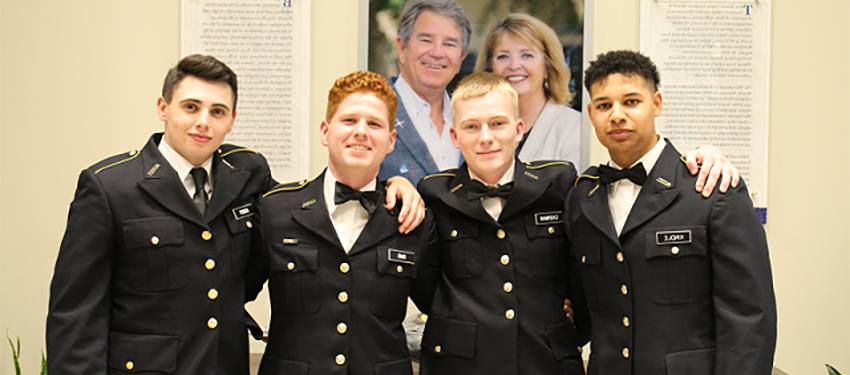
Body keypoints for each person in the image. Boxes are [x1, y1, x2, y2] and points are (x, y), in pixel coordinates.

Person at [46, 56, 423, 375]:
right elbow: (75, 316)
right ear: (163, 107)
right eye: (190, 107)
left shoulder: (247, 175)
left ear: (232, 120)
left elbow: (311, 207)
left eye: (217, 111)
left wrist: (395, 184)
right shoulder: (110, 187)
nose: (203, 122)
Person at [568, 50, 776, 375]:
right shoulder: (582, 197)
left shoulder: (711, 189)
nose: (617, 115)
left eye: (631, 101)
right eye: (604, 105)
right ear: (591, 112)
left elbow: (748, 318)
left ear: (657, 104)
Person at [248, 71, 437, 375]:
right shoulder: (276, 210)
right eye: (349, 121)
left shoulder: (411, 217)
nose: (361, 131)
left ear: (390, 141)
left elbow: (442, 308)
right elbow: (230, 289)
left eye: (374, 124)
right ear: (325, 131)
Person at [414, 71, 588, 375]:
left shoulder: (558, 184)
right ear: (455, 136)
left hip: (545, 362)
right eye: (471, 126)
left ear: (518, 129)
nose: (485, 137)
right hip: (461, 365)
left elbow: (585, 261)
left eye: (498, 123)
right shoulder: (434, 195)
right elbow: (426, 284)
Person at [378, 0, 471, 185]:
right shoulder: (374, 109)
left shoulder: (472, 117)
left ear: (461, 57)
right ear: (402, 48)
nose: (437, 52)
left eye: (449, 44)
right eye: (426, 40)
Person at [477, 13, 583, 166]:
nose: (514, 66)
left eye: (526, 55)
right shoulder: (477, 127)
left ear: (548, 67)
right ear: (489, 68)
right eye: (503, 56)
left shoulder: (575, 128)